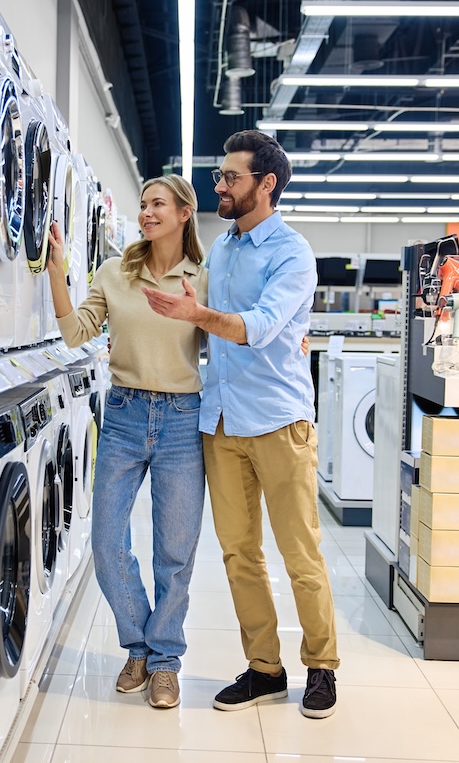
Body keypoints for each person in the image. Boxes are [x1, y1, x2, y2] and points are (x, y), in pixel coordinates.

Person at [142, 130, 340, 719]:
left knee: (300, 553)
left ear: (266, 184)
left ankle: (322, 667)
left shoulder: (292, 253)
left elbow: (259, 326)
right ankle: (264, 669)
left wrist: (197, 314)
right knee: (238, 554)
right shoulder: (221, 249)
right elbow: (196, 325)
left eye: (231, 177)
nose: (219, 185)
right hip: (220, 421)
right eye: (220, 176)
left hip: (279, 420)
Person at [46, 173, 207, 710]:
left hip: (184, 419)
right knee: (106, 540)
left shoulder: (202, 278)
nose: (146, 213)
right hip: (124, 412)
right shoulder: (116, 272)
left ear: (185, 213)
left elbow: (229, 338)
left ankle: (163, 662)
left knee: (175, 553)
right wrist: (57, 272)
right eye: (142, 205)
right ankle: (137, 645)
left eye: (158, 204)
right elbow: (76, 334)